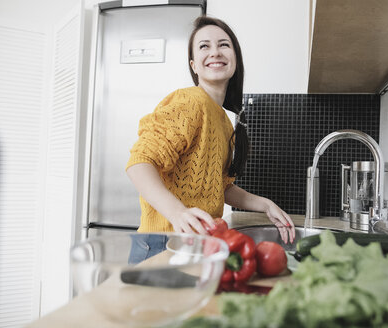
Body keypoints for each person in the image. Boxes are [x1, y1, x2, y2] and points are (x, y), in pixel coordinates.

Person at [126, 16, 295, 263]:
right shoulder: (190, 102)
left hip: (194, 243)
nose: (215, 52)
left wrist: (265, 204)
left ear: (235, 59)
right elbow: (139, 163)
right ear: (194, 65)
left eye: (224, 45)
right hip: (163, 244)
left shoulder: (224, 122)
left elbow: (220, 187)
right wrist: (177, 213)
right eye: (204, 46)